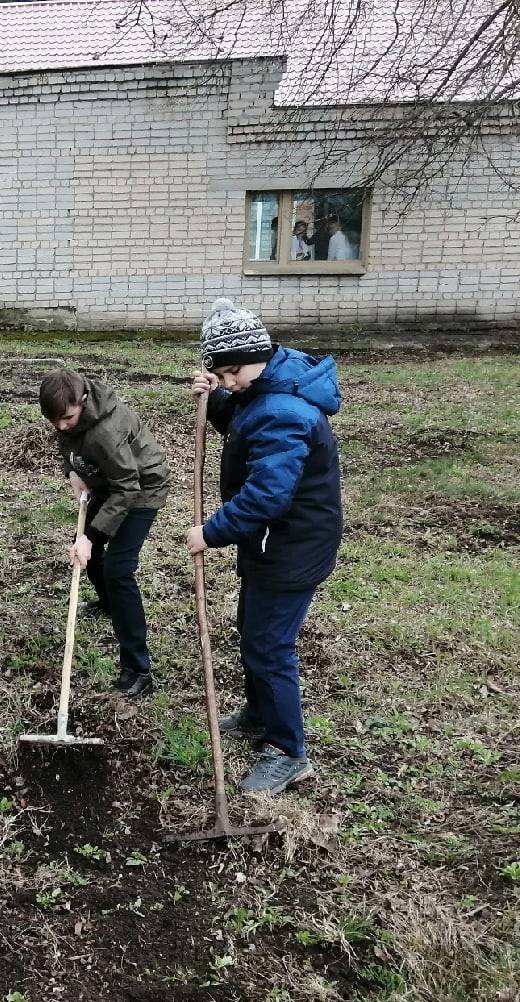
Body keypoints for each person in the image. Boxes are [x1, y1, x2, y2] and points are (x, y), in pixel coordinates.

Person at [187, 298, 343, 798]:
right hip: (272, 542)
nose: (230, 381)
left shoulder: (285, 412)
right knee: (252, 628)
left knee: (270, 644)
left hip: (292, 545)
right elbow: (241, 420)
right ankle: (259, 711)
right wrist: (215, 397)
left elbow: (267, 496)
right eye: (222, 373)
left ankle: (287, 751)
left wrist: (209, 532)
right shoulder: (270, 381)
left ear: (256, 354)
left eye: (231, 372)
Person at [40, 368, 170, 697]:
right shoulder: (69, 415)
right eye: (54, 420)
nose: (61, 426)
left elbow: (128, 487)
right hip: (109, 484)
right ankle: (109, 603)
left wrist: (91, 536)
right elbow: (67, 443)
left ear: (83, 401)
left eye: (67, 418)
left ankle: (138, 670)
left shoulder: (106, 431)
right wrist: (72, 472)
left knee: (118, 569)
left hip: (140, 490)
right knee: (89, 554)